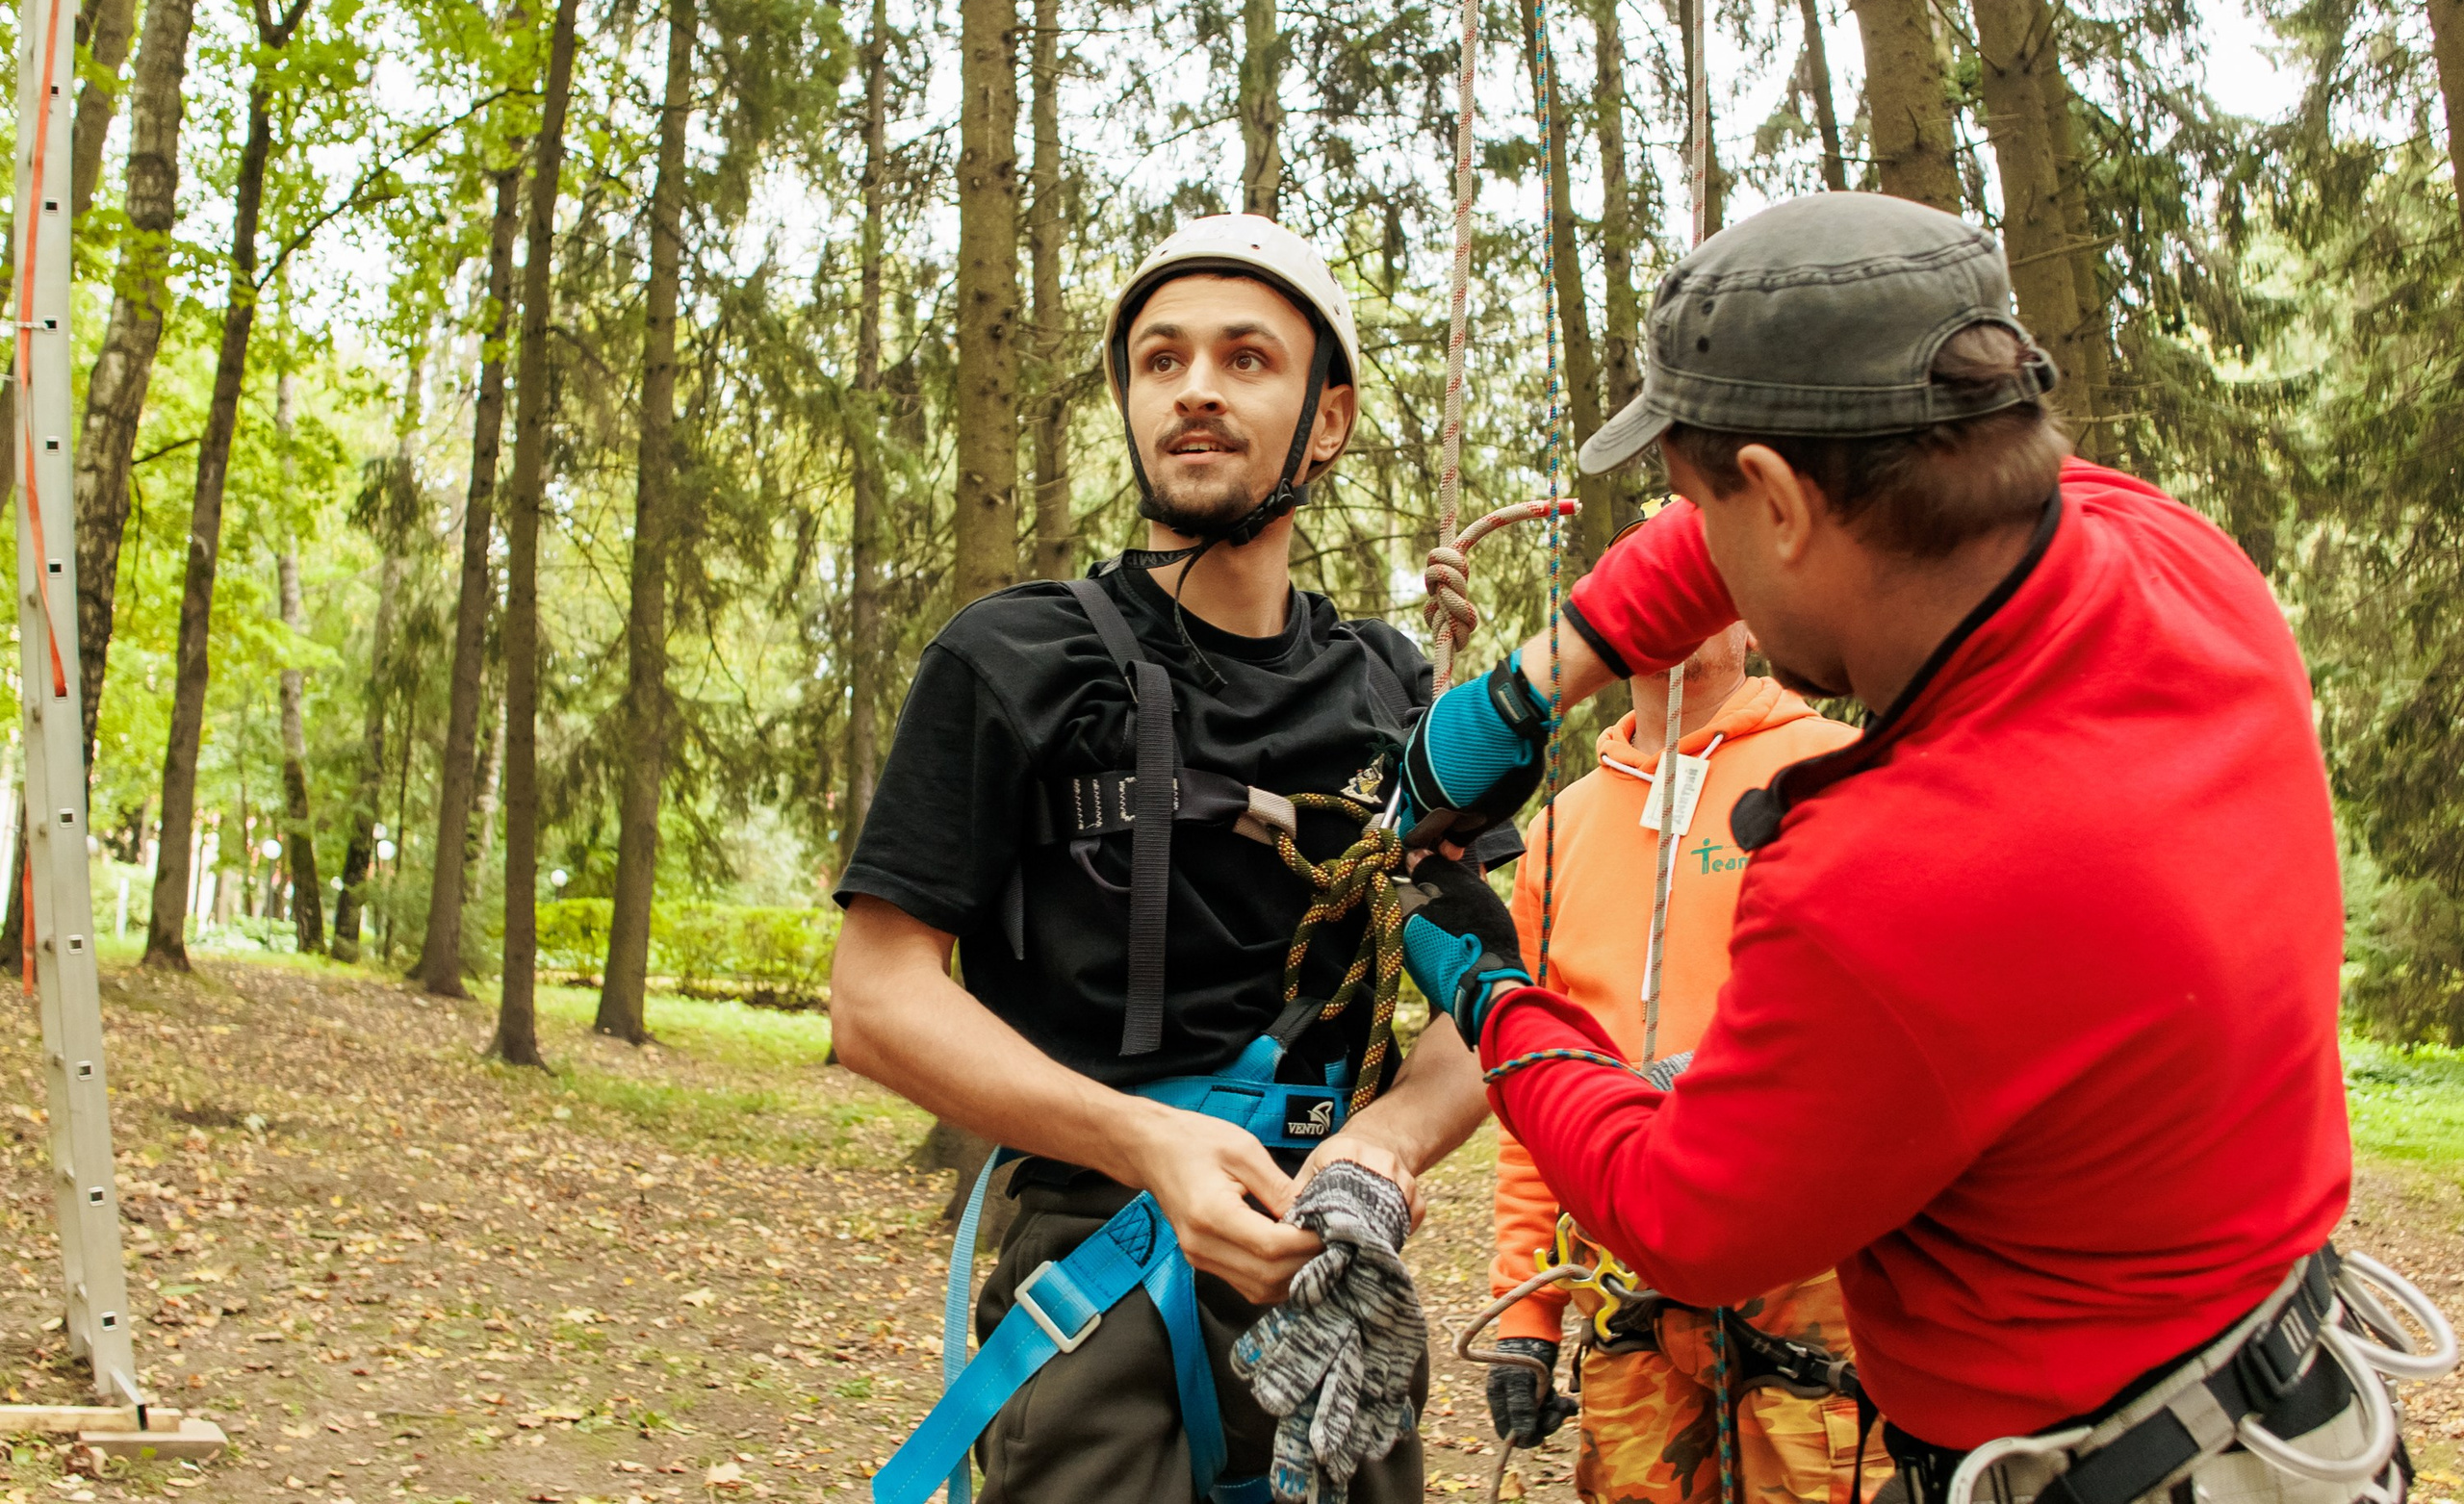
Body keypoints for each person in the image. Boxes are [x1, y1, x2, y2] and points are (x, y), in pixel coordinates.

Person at [1391, 193, 2440, 1504]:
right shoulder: (2165, 556)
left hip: (2111, 1467)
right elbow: (1776, 518)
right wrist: (1532, 685)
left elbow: (1682, 1214)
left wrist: (1493, 993)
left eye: (1701, 505)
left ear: (1774, 499)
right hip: (2263, 1397)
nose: (1696, 551)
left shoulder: (1891, 874)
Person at [831, 215, 1513, 1504]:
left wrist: (1388, 1143)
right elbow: (875, 994)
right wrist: (1142, 1139)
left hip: (1330, 1268)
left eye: (1247, 357)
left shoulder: (1395, 694)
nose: (1194, 386)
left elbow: (1492, 992)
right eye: (1160, 359)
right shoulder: (1013, 657)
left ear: (1329, 418)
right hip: (1095, 1276)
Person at [1483, 624, 1869, 1504]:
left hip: (1818, 1284)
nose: (1681, 611)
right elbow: (1533, 1083)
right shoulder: (1559, 828)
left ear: (1752, 619)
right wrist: (1526, 1312)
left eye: (1707, 583)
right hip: (1623, 1280)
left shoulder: (1839, 770)